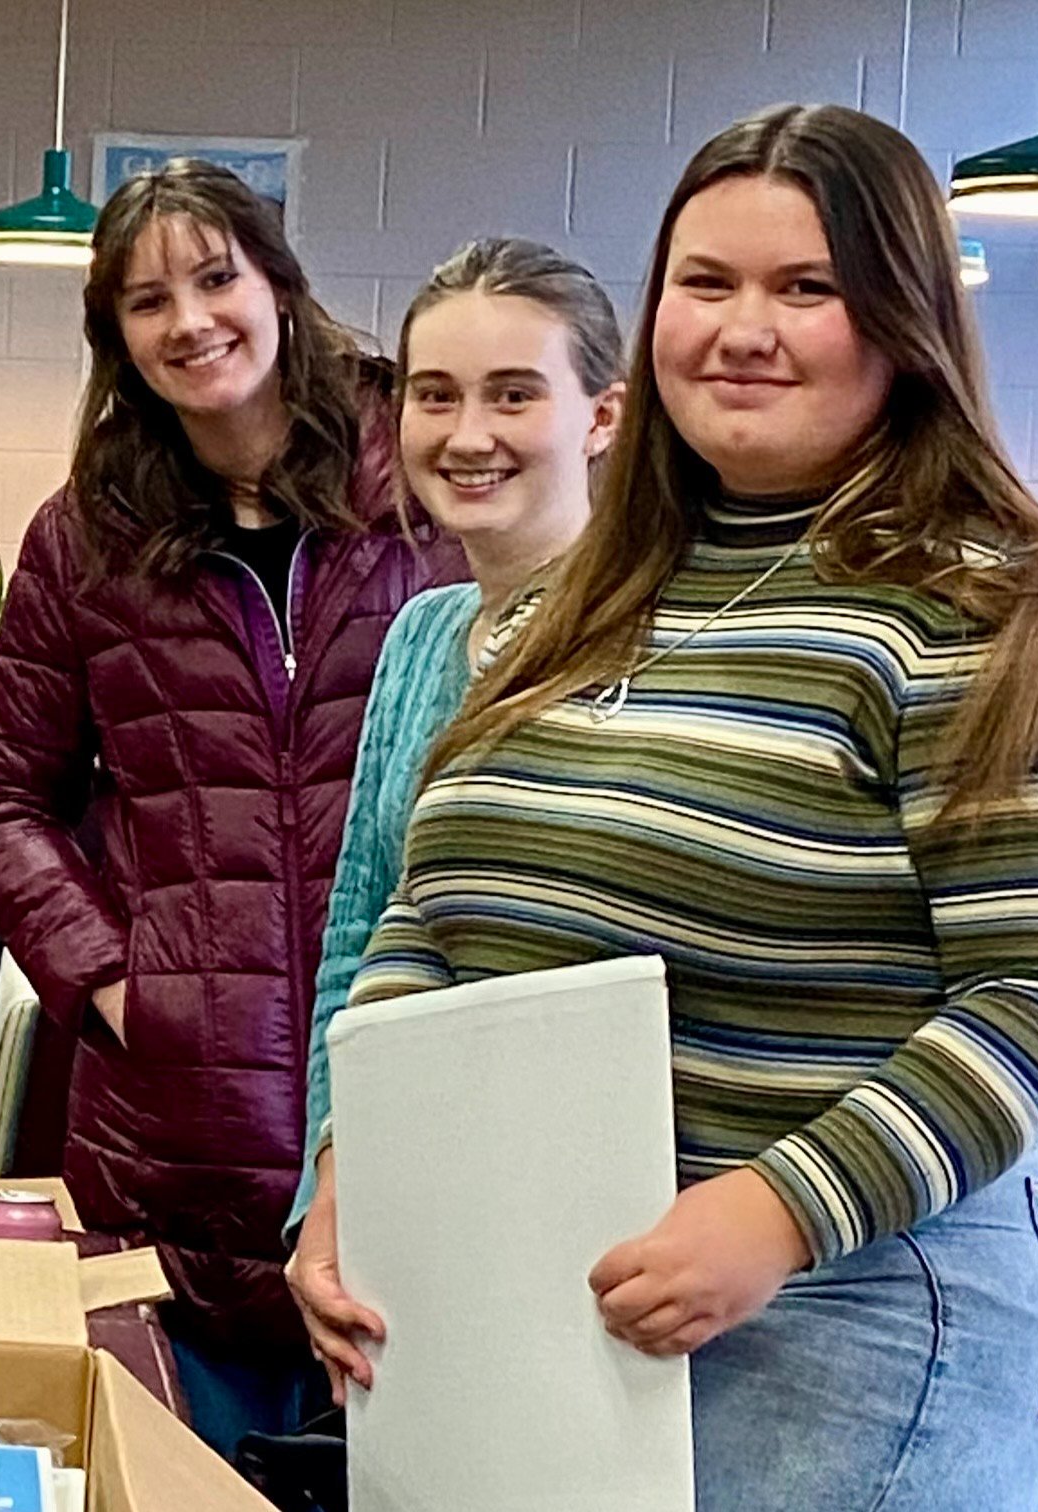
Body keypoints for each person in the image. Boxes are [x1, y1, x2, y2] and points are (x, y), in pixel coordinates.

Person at [286, 104, 1038, 1510]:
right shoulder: (582, 604)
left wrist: (777, 1211)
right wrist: (360, 1170)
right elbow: (429, 915)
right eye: (706, 283)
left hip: (853, 1313)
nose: (743, 330)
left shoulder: (996, 613)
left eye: (806, 287)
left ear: (904, 319)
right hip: (546, 1299)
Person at [0, 158, 464, 1456]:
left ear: (278, 286)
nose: (190, 321)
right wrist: (118, 986)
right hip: (172, 1151)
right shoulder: (88, 537)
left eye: (215, 278)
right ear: (116, 340)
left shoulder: (425, 488)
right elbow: (0, 799)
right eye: (146, 301)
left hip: (415, 1117)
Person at [283, 238, 624, 1235]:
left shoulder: (646, 633)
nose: (468, 436)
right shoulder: (421, 634)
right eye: (435, 396)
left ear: (603, 417)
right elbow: (358, 933)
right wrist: (329, 1186)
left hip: (594, 1183)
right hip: (416, 1170)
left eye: (514, 395)